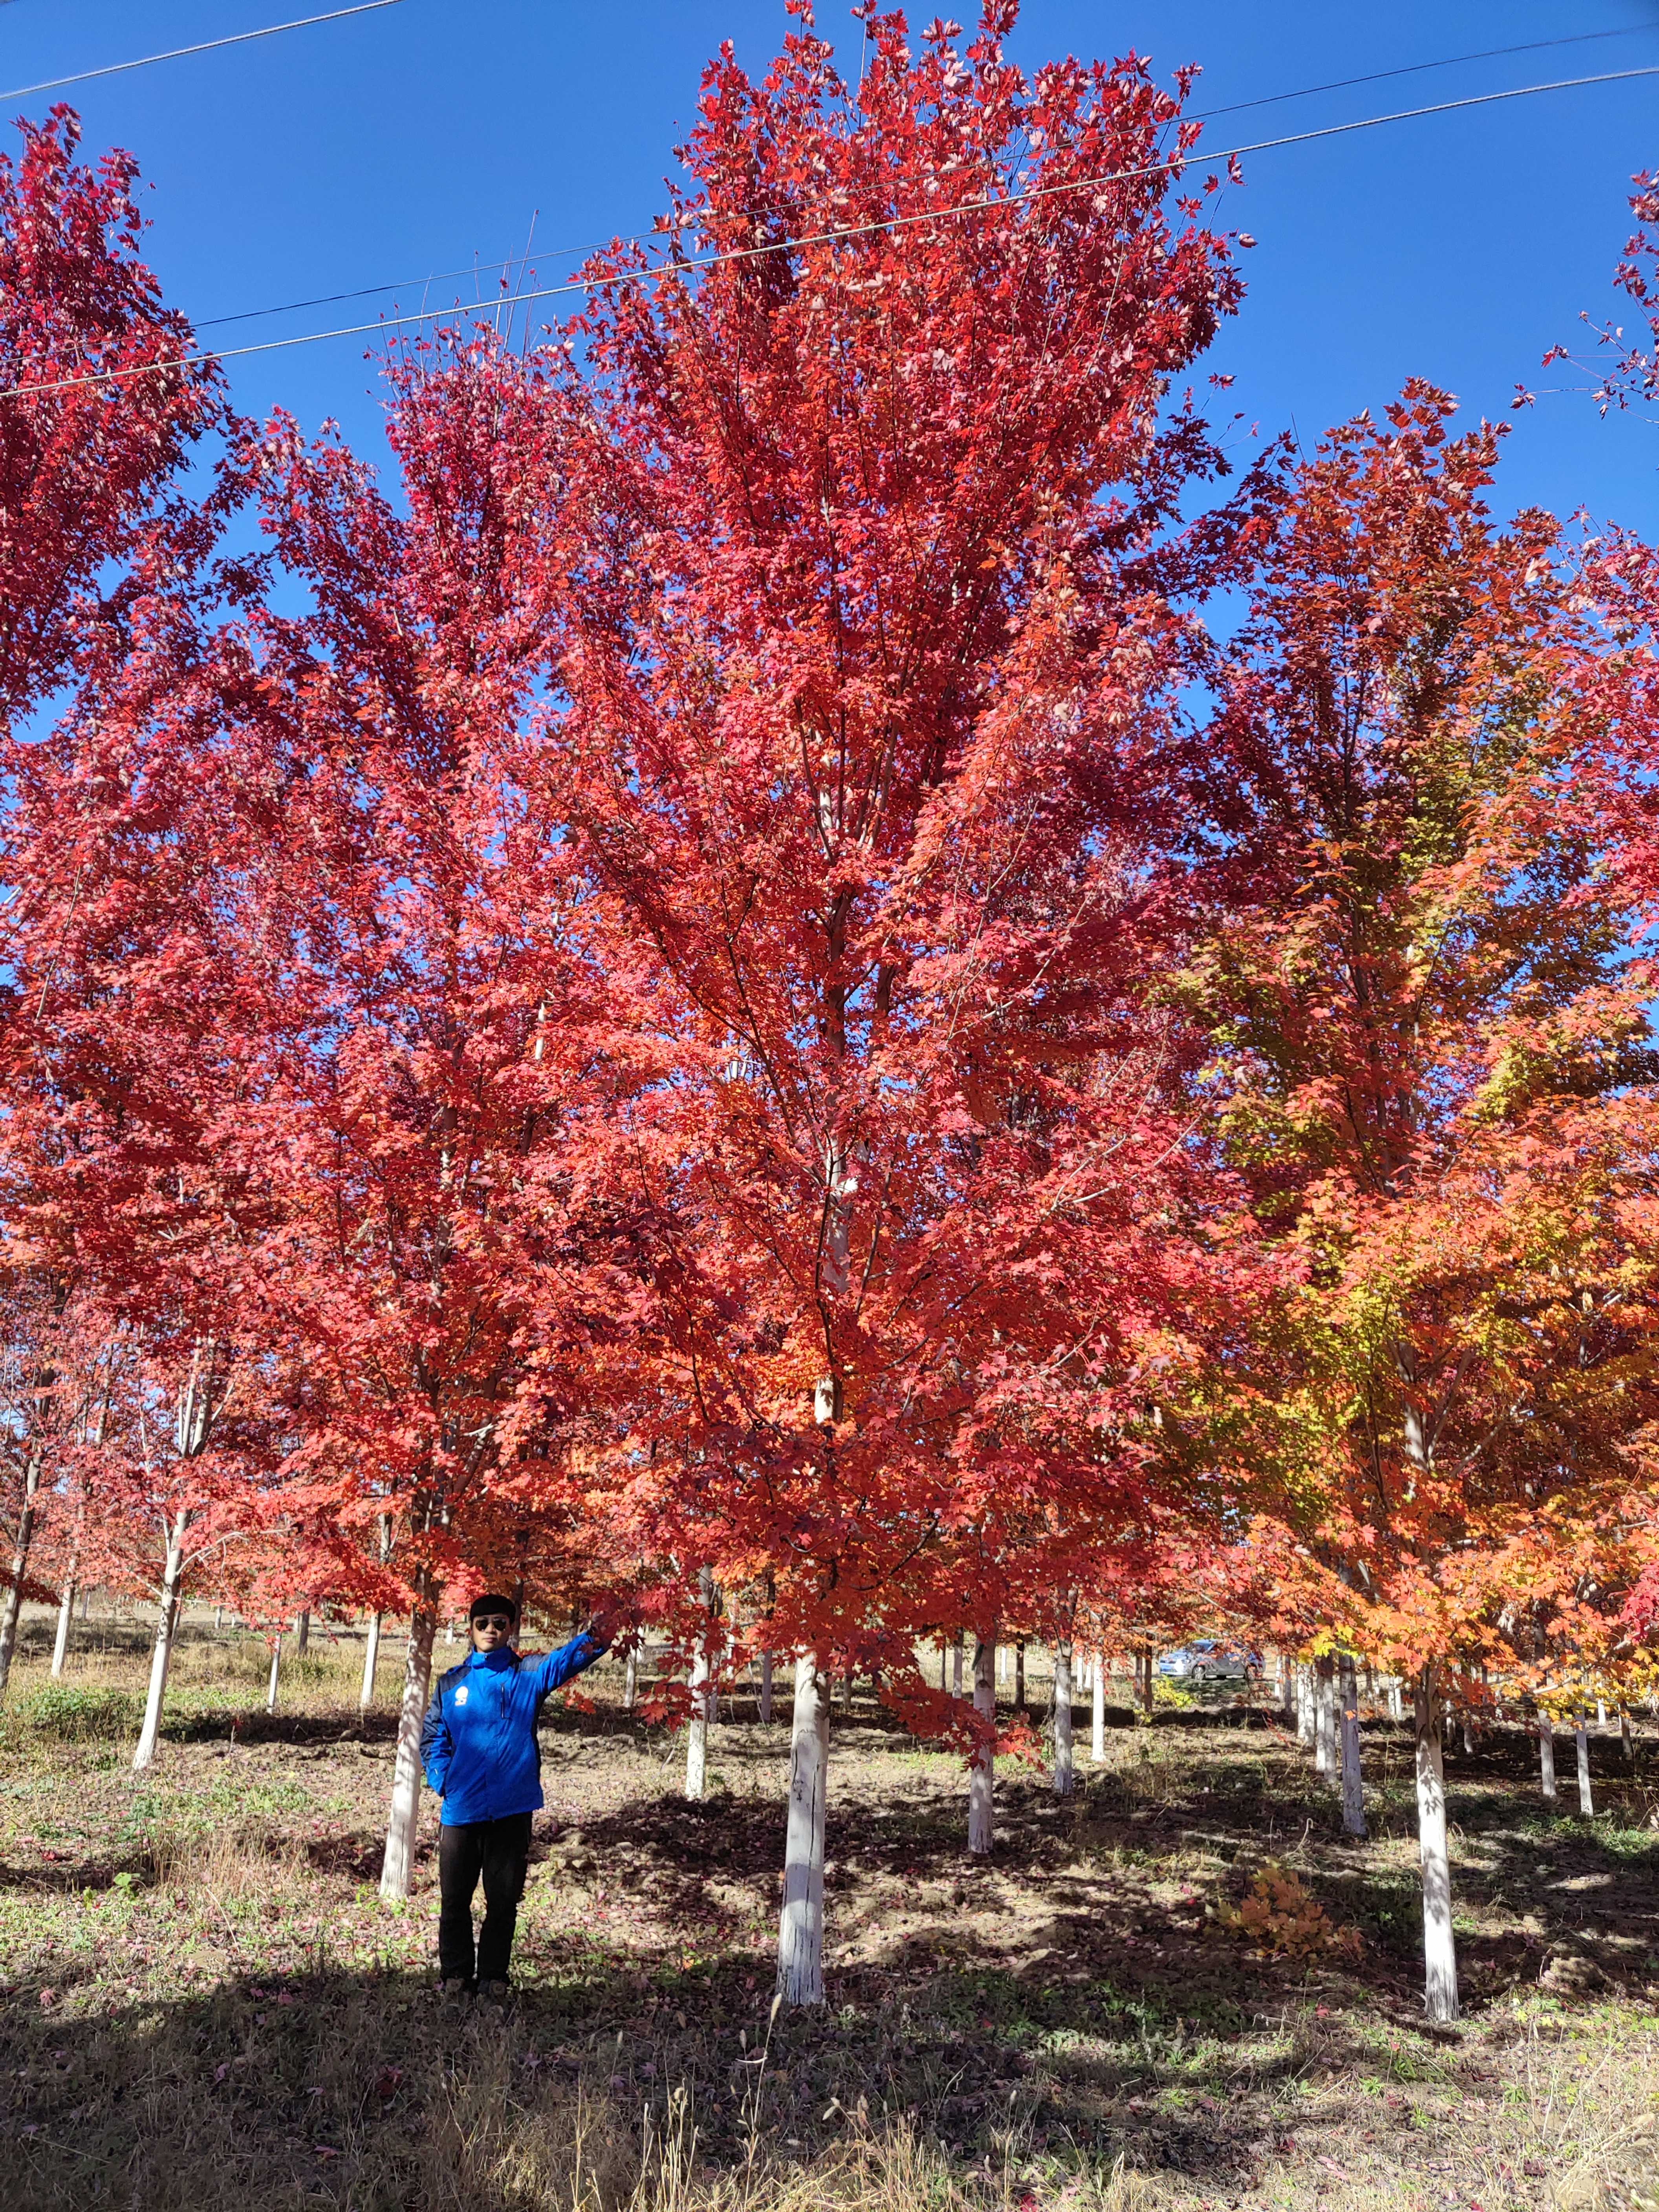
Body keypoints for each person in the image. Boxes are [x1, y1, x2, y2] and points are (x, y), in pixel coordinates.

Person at [419, 1591, 609, 2001]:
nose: (491, 1630)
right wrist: (442, 1778)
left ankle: (493, 1978)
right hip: (461, 1810)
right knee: (455, 1901)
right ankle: (455, 1977)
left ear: (512, 1628)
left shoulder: (529, 1674)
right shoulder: (451, 1682)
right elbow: (434, 1736)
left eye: (500, 1623)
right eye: (482, 1622)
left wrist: (607, 1627)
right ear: (471, 1628)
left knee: (503, 1902)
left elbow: (570, 1657)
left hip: (511, 1810)